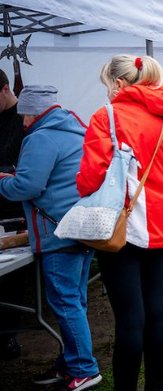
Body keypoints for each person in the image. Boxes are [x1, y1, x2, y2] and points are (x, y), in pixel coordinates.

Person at [77, 55, 163, 391]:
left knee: (129, 319)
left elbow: (89, 180)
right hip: (160, 228)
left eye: (107, 85)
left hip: (118, 228)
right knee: (156, 312)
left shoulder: (107, 117)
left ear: (119, 84)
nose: (106, 92)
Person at [0, 86, 102, 390]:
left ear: (34, 112)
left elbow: (28, 187)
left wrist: (3, 183)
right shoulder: (74, 128)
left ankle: (84, 369)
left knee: (66, 303)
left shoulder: (40, 137)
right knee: (75, 301)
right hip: (80, 229)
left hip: (57, 234)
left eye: (24, 116)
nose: (22, 122)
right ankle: (70, 364)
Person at [0, 69, 26, 360]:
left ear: (5, 89)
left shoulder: (23, 120)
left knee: (12, 277)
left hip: (15, 208)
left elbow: (24, 169)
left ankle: (8, 335)